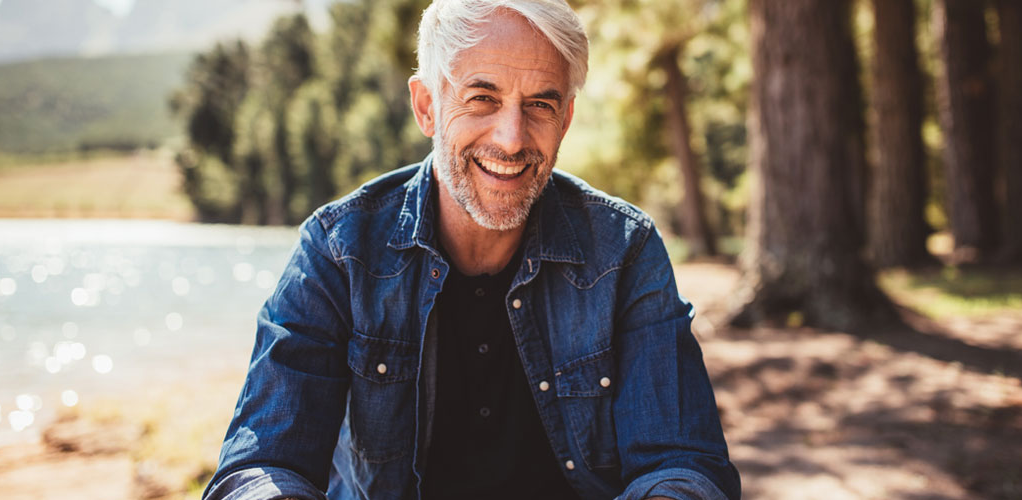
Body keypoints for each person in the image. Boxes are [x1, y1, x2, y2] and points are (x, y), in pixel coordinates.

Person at [203, 1, 739, 498]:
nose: (511, 138)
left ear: (566, 120)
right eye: (482, 98)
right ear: (427, 107)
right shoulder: (339, 250)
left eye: (539, 105)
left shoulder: (624, 250)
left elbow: (682, 462)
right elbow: (262, 466)